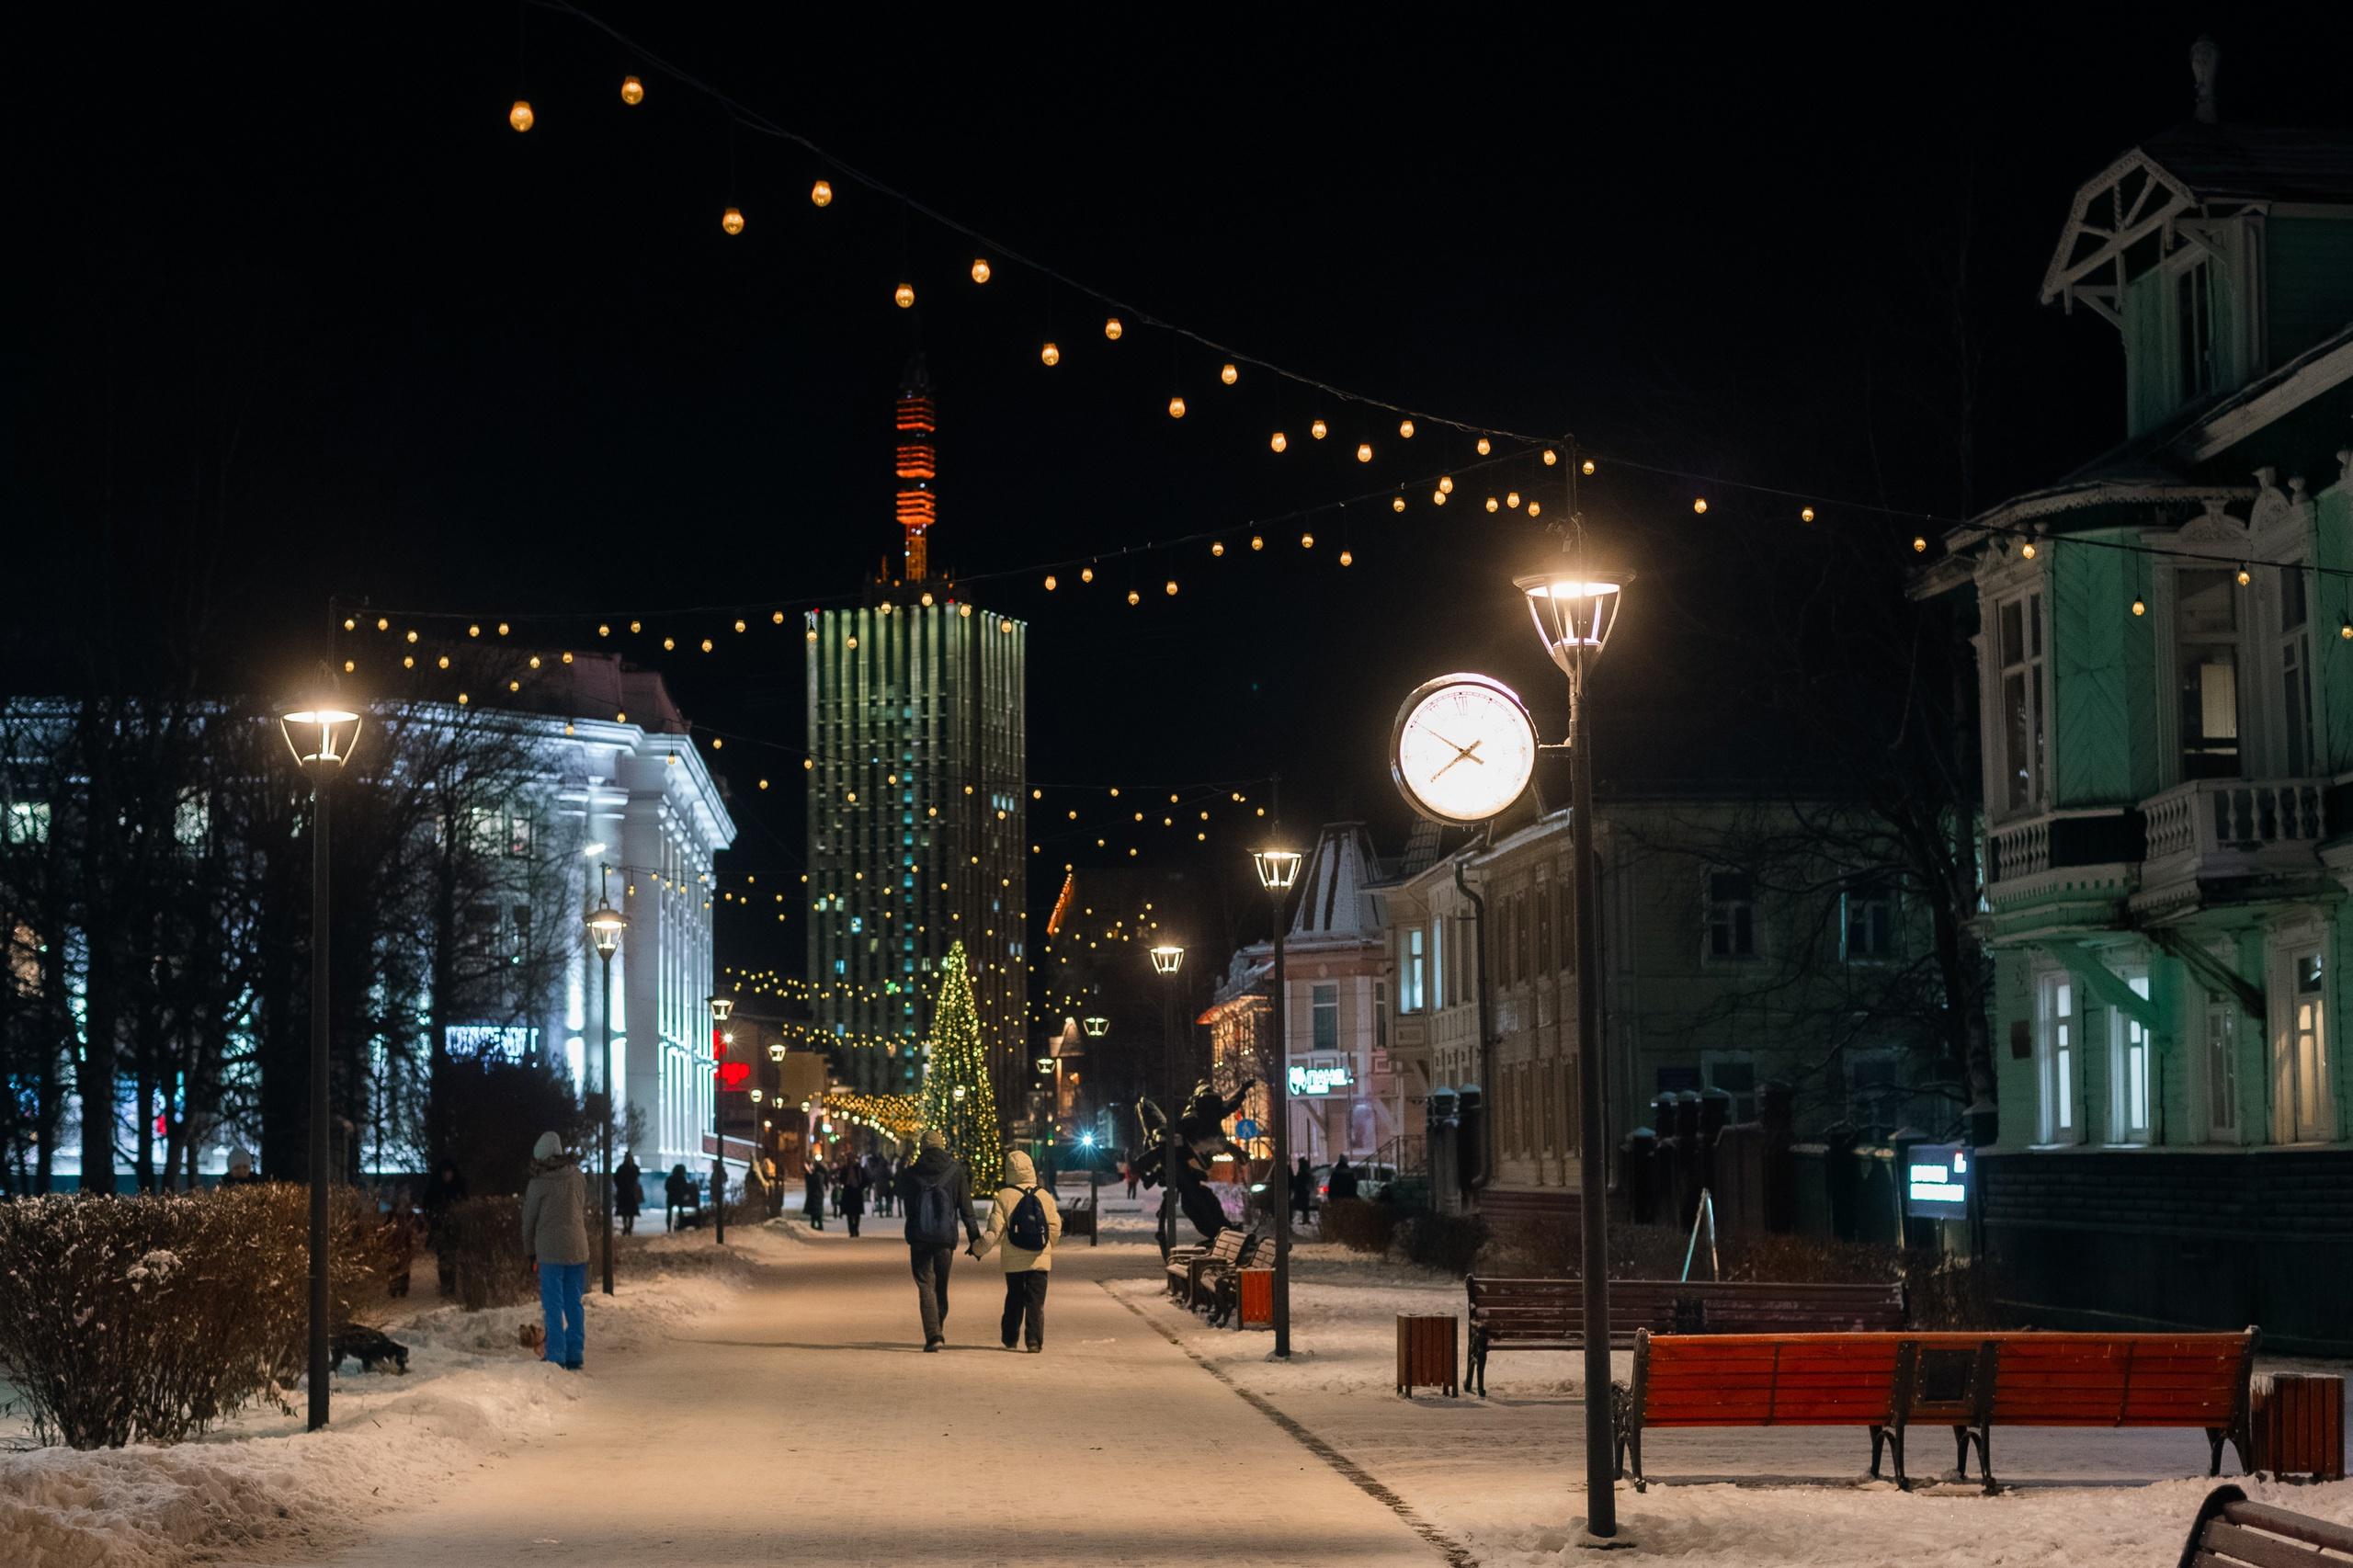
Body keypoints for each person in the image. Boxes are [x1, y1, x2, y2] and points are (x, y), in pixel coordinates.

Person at [970, 1148, 1063, 1353]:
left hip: (1013, 1260)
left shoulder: (1004, 1196)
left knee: (1014, 1297)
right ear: (1030, 1168)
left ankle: (1010, 1338)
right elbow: (1055, 1226)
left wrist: (978, 1249)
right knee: (1035, 1301)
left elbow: (994, 1231)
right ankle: (1034, 1341)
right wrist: (1047, 1247)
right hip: (1039, 1258)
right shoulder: (1044, 1195)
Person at [895, 1129, 981, 1351]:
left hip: (920, 1237)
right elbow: (967, 1211)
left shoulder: (912, 1173)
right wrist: (976, 1242)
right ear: (942, 1146)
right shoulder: (956, 1172)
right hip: (945, 1238)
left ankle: (934, 1334)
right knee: (941, 1286)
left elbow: (907, 1204)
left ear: (921, 1148)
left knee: (925, 1284)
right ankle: (937, 1329)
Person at [521, 1131, 590, 1371]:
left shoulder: (538, 1183)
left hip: (550, 1252)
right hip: (578, 1249)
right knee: (574, 1302)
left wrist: (529, 1250)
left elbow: (528, 1220)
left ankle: (556, 1355)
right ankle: (575, 1353)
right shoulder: (578, 1177)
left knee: (553, 1304)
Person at [422, 1157, 468, 1295]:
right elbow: (427, 1204)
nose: (447, 1176)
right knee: (443, 1256)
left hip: (453, 1227)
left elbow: (464, 1203)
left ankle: (451, 1285)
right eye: (445, 1173)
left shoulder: (457, 1187)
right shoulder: (436, 1188)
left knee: (452, 1256)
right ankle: (445, 1284)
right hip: (440, 1226)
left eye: (449, 1173)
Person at [614, 1153, 643, 1237]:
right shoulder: (631, 1168)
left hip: (626, 1193)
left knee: (627, 1213)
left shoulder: (623, 1168)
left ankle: (628, 1228)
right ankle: (628, 1228)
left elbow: (616, 1179)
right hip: (628, 1193)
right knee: (629, 1213)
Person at [840, 1154, 868, 1238]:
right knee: (850, 1213)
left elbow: (865, 1179)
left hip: (855, 1192)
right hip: (850, 1192)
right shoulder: (845, 1169)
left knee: (856, 1213)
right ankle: (852, 1230)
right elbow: (842, 1179)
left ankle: (855, 1229)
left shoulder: (858, 1169)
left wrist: (861, 1187)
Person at [664, 1163, 693, 1232]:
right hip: (679, 1197)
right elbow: (686, 1188)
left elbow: (666, 1187)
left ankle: (669, 1227)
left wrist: (671, 1192)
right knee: (680, 1211)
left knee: (669, 1213)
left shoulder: (670, 1178)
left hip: (670, 1197)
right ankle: (680, 1225)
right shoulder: (682, 1178)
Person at [802, 1159, 828, 1230]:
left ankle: (817, 1224)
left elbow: (809, 1179)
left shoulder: (816, 1176)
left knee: (815, 1210)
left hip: (815, 1195)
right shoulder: (820, 1176)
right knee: (816, 1210)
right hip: (818, 1195)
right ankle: (816, 1223)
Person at [1290, 1155, 1314, 1226]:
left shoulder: (1303, 1170)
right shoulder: (1306, 1168)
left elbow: (1300, 1180)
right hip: (1305, 1190)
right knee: (1305, 1206)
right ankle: (1306, 1219)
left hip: (1302, 1190)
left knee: (1303, 1205)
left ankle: (1305, 1219)